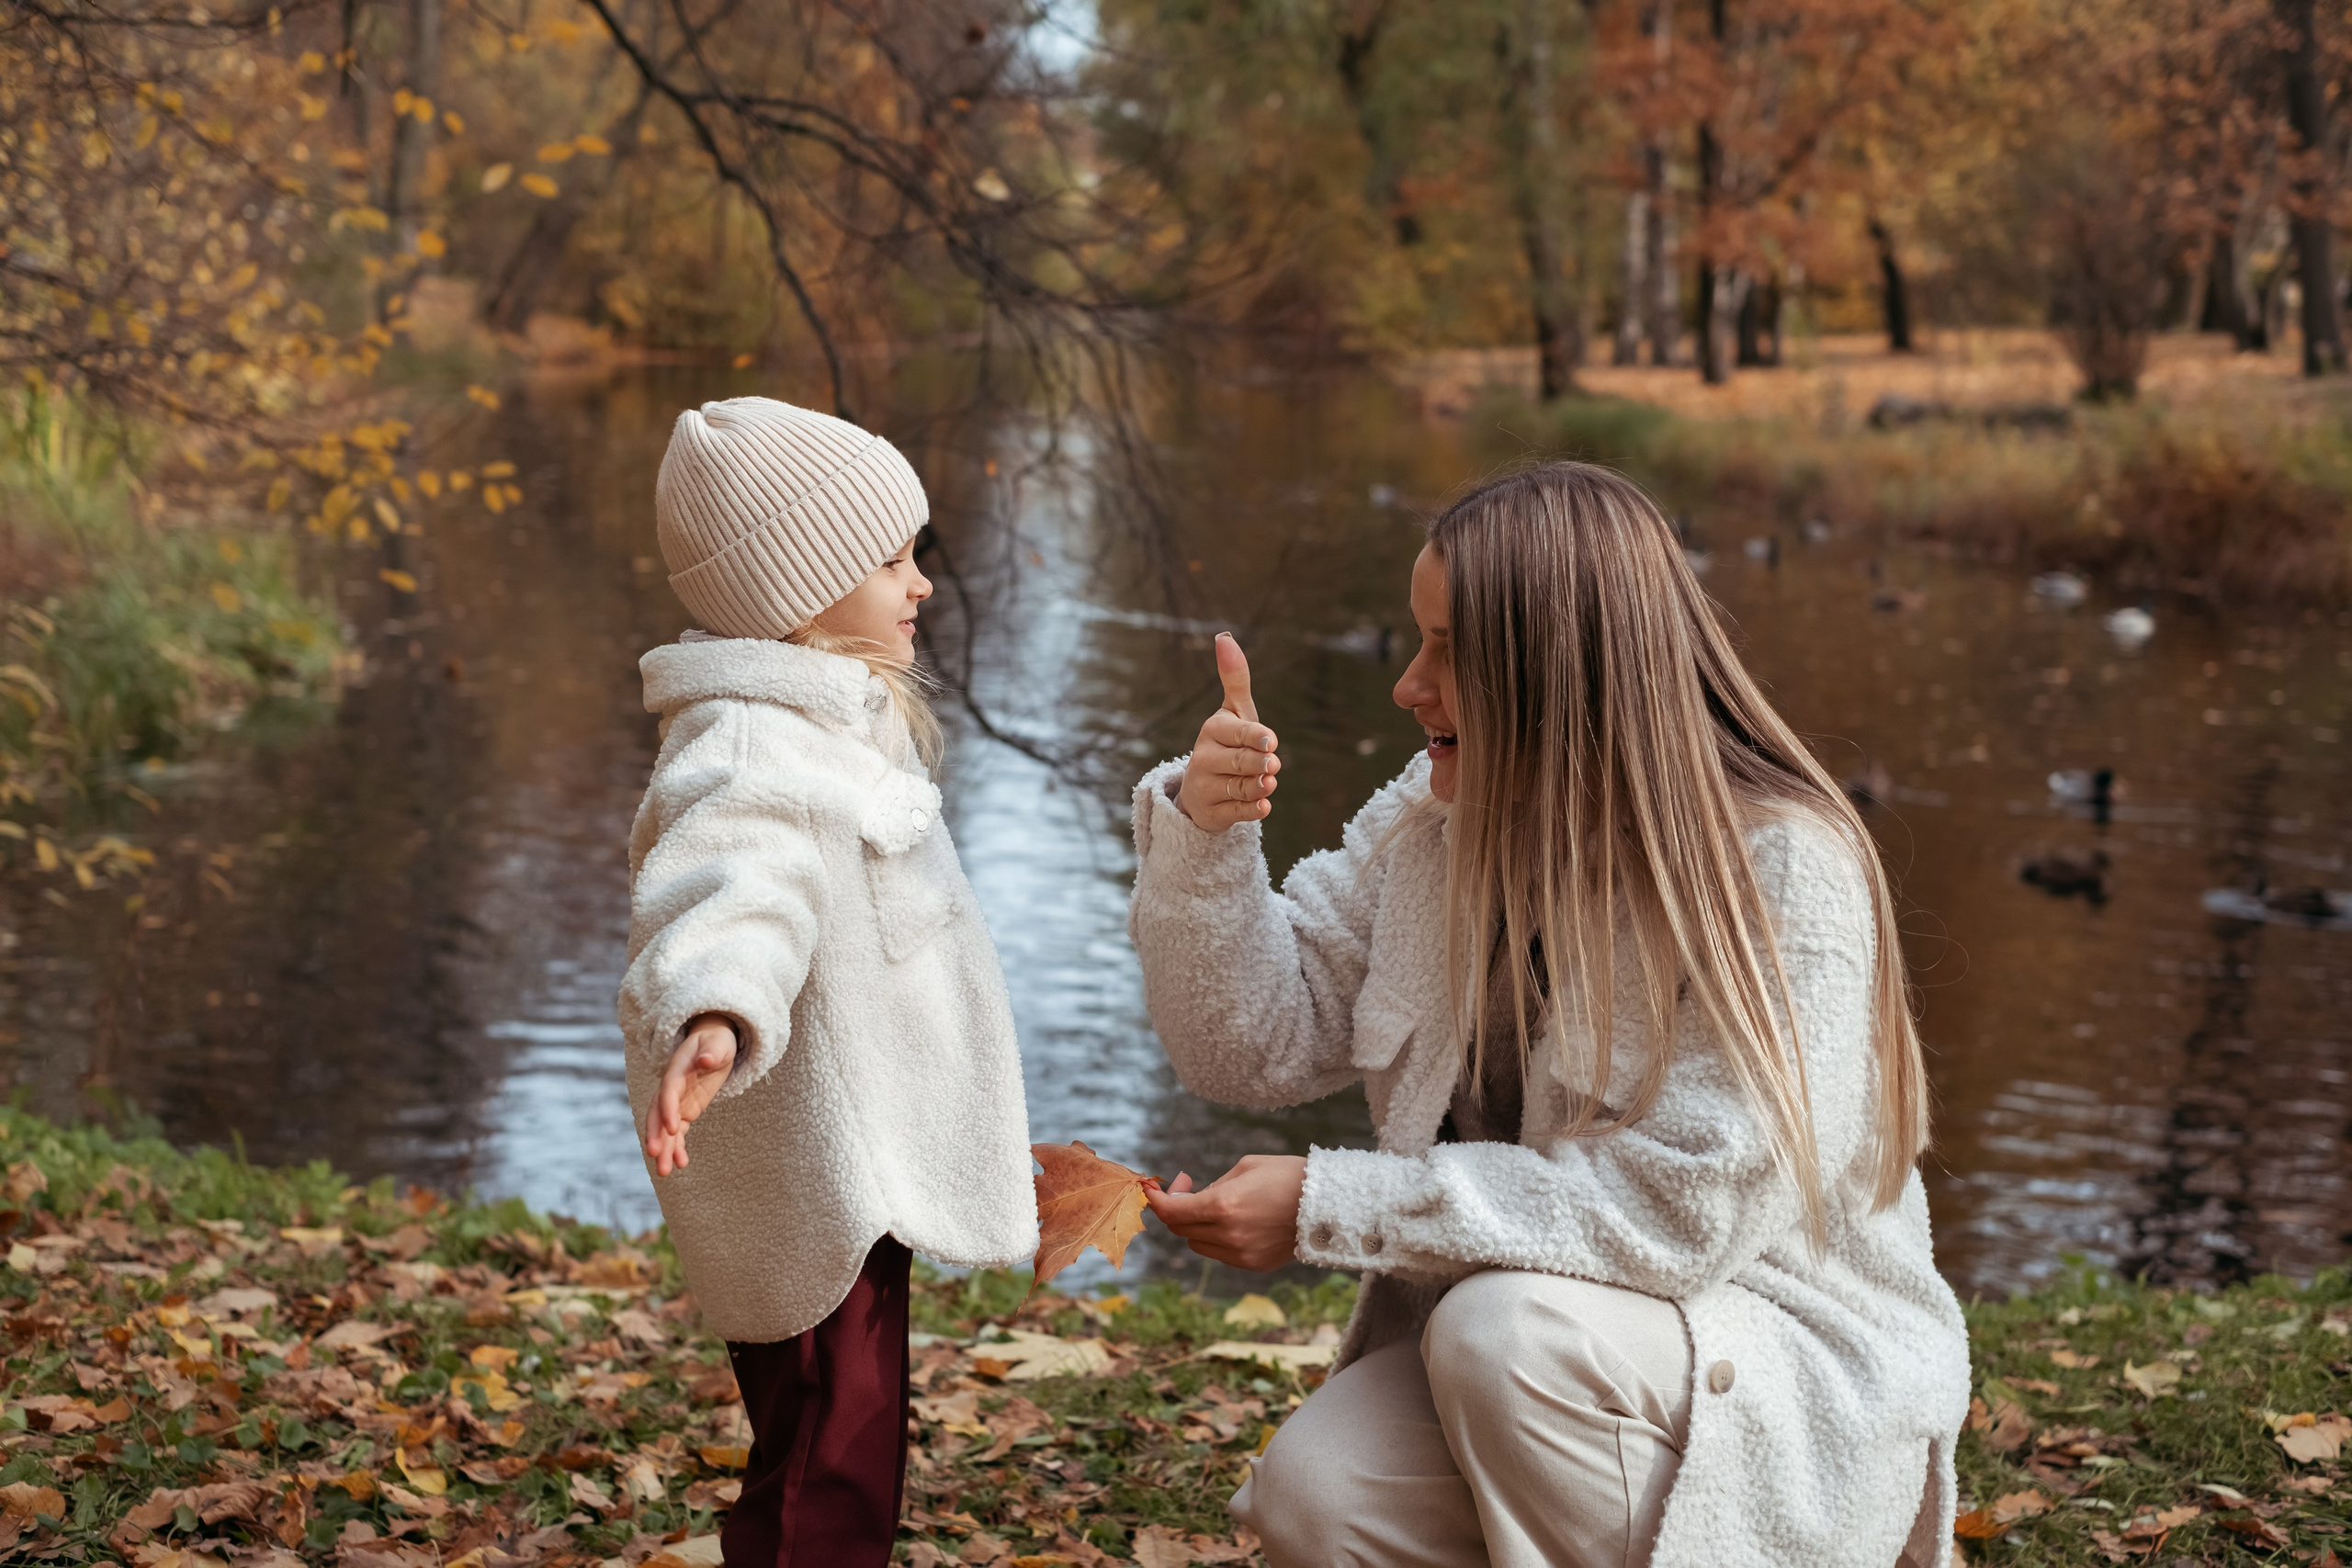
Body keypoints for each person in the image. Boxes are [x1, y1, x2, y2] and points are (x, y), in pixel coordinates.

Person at [1130, 462, 1970, 1568]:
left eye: (1447, 650)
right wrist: (1204, 837)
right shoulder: (1433, 823)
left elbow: (1684, 1216)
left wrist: (1332, 1204)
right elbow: (1250, 1043)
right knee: (1318, 1498)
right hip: (1544, 1362)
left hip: (1766, 1363)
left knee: (1499, 1332)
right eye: (1417, 639)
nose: (1408, 686)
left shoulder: (1779, 868)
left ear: (1557, 672)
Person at [617, 398, 1036, 1568]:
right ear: (798, 588)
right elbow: (737, 884)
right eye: (891, 560)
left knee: (848, 1432)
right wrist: (715, 1009)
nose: (922, 587)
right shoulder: (752, 744)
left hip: (862, 1159)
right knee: (826, 1451)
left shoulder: (833, 721)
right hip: (813, 1174)